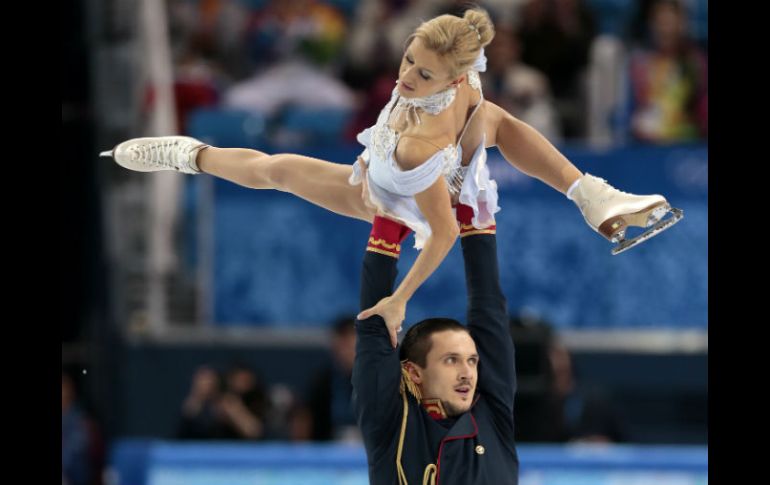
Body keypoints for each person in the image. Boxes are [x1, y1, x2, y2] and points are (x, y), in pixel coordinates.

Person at [101, 7, 682, 336]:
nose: (406, 77)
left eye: (424, 76)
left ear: (453, 80)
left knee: (277, 169)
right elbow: (460, 94)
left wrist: (402, 297)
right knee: (277, 166)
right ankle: (591, 195)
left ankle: (590, 192)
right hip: (432, 159)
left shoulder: (417, 144)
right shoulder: (460, 68)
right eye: (408, 60)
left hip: (386, 191)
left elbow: (444, 232)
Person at [354, 212, 518, 484]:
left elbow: (490, 311)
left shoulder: (492, 414)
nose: (467, 373)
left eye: (472, 361)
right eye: (451, 360)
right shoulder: (390, 423)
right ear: (414, 372)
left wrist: (476, 218)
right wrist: (388, 219)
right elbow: (373, 326)